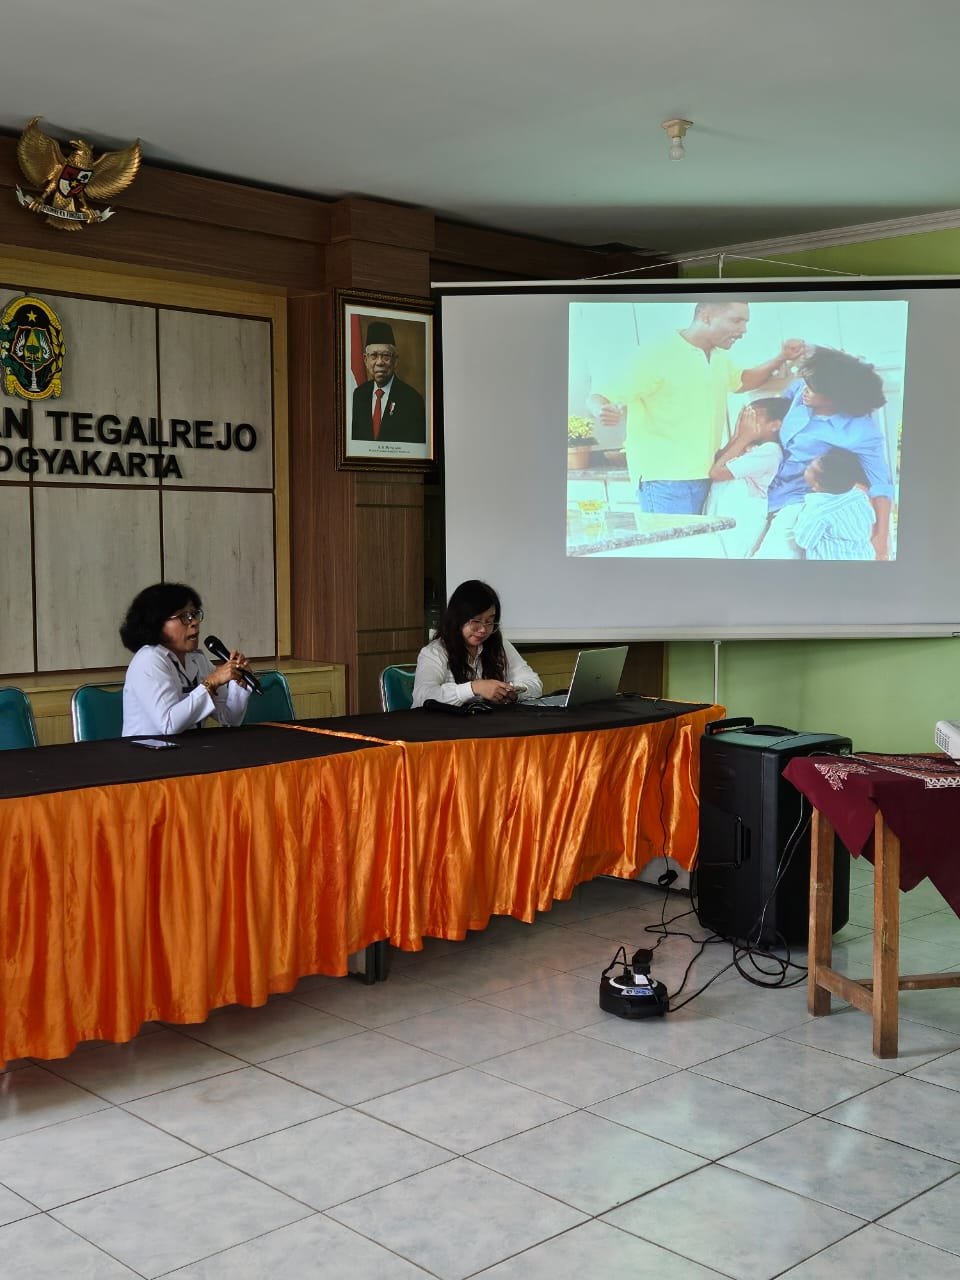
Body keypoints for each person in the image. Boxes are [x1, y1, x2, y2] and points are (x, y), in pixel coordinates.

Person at [586, 302, 805, 515]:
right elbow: (599, 396)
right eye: (736, 320)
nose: (743, 329)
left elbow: (741, 381)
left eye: (745, 322)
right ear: (705, 316)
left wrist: (781, 358)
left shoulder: (719, 356)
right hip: (665, 479)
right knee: (675, 549)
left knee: (697, 548)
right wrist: (603, 409)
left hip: (706, 473)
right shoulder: (657, 354)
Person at [755, 346, 893, 560]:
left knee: (771, 556)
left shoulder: (862, 432)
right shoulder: (800, 390)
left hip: (803, 496)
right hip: (763, 481)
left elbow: (881, 485)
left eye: (812, 387)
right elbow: (773, 420)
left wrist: (881, 540)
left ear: (837, 398)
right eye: (806, 383)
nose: (805, 389)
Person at [120, 582, 251, 735]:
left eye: (194, 614)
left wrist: (238, 682)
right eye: (184, 617)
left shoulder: (197, 659)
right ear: (156, 624)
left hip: (188, 752)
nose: (194, 622)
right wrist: (212, 682)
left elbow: (229, 718)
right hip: (148, 754)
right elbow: (169, 725)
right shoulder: (149, 660)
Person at [412, 579, 543, 707]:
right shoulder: (435, 652)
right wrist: (474, 688)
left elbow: (534, 683)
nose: (483, 629)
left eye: (489, 621)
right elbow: (422, 697)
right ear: (458, 618)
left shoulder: (499, 644)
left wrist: (511, 693)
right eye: (476, 621)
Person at [704, 396, 790, 558]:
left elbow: (717, 472)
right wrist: (738, 436)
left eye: (753, 419)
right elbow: (719, 459)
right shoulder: (749, 446)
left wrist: (743, 438)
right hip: (723, 515)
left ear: (775, 425)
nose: (747, 425)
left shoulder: (769, 452)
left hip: (741, 520)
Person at [793, 448, 876, 560]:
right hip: (864, 557)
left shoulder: (818, 512)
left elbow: (804, 541)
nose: (807, 466)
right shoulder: (859, 495)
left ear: (817, 486)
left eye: (810, 468)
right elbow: (871, 519)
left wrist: (802, 516)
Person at [351, 320, 427, 444]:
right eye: (374, 356)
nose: (380, 362)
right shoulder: (358, 395)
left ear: (395, 360)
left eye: (386, 356)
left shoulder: (412, 400)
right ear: (365, 360)